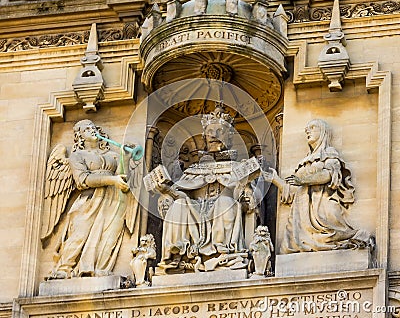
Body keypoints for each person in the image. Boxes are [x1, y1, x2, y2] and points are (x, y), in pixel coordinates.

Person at [154, 104, 260, 271]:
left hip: (222, 208)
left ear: (229, 138)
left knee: (226, 203)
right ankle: (177, 254)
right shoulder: (193, 169)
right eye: (210, 132)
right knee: (179, 205)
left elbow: (249, 199)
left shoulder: (238, 167)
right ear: (204, 137)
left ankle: (223, 254)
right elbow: (182, 195)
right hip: (195, 211)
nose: (214, 135)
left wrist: (246, 189)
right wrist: (167, 192)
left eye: (220, 132)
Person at [46, 119, 140, 279]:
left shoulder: (112, 155)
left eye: (93, 127)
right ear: (80, 136)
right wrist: (112, 181)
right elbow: (82, 180)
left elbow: (121, 174)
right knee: (80, 232)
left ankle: (100, 270)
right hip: (89, 200)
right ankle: (64, 268)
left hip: (114, 200)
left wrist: (125, 157)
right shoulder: (77, 156)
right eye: (86, 129)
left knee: (110, 235)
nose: (91, 130)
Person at [264, 119, 371, 253]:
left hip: (322, 207)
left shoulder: (330, 153)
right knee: (286, 248)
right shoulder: (305, 160)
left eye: (312, 127)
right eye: (306, 129)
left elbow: (329, 175)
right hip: (300, 214)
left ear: (323, 132)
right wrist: (275, 179)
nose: (307, 131)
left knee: (331, 236)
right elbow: (293, 192)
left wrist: (303, 180)